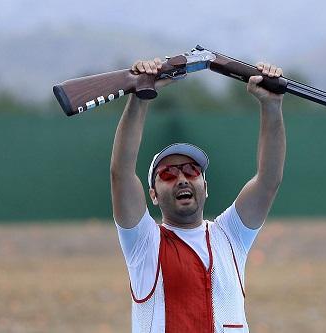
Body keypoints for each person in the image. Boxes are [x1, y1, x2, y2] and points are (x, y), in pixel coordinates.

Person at [110, 57, 286, 333]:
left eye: (192, 171)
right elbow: (121, 173)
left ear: (206, 186)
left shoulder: (231, 235)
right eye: (168, 174)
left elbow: (268, 180)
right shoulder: (144, 242)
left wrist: (272, 106)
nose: (182, 179)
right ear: (153, 195)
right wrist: (140, 96)